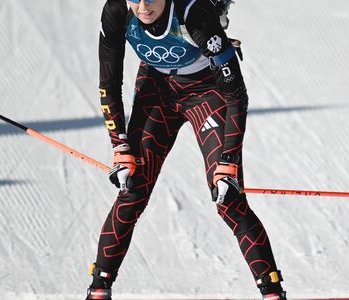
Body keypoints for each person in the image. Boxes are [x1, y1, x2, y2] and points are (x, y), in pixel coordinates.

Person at [86, 0, 287, 299]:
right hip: (156, 89)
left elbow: (236, 94)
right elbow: (108, 82)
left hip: (207, 90)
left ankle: (272, 291)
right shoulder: (117, 10)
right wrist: (120, 146)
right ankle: (99, 288)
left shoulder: (193, 14)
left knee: (227, 196)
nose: (142, 7)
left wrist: (229, 161)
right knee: (132, 189)